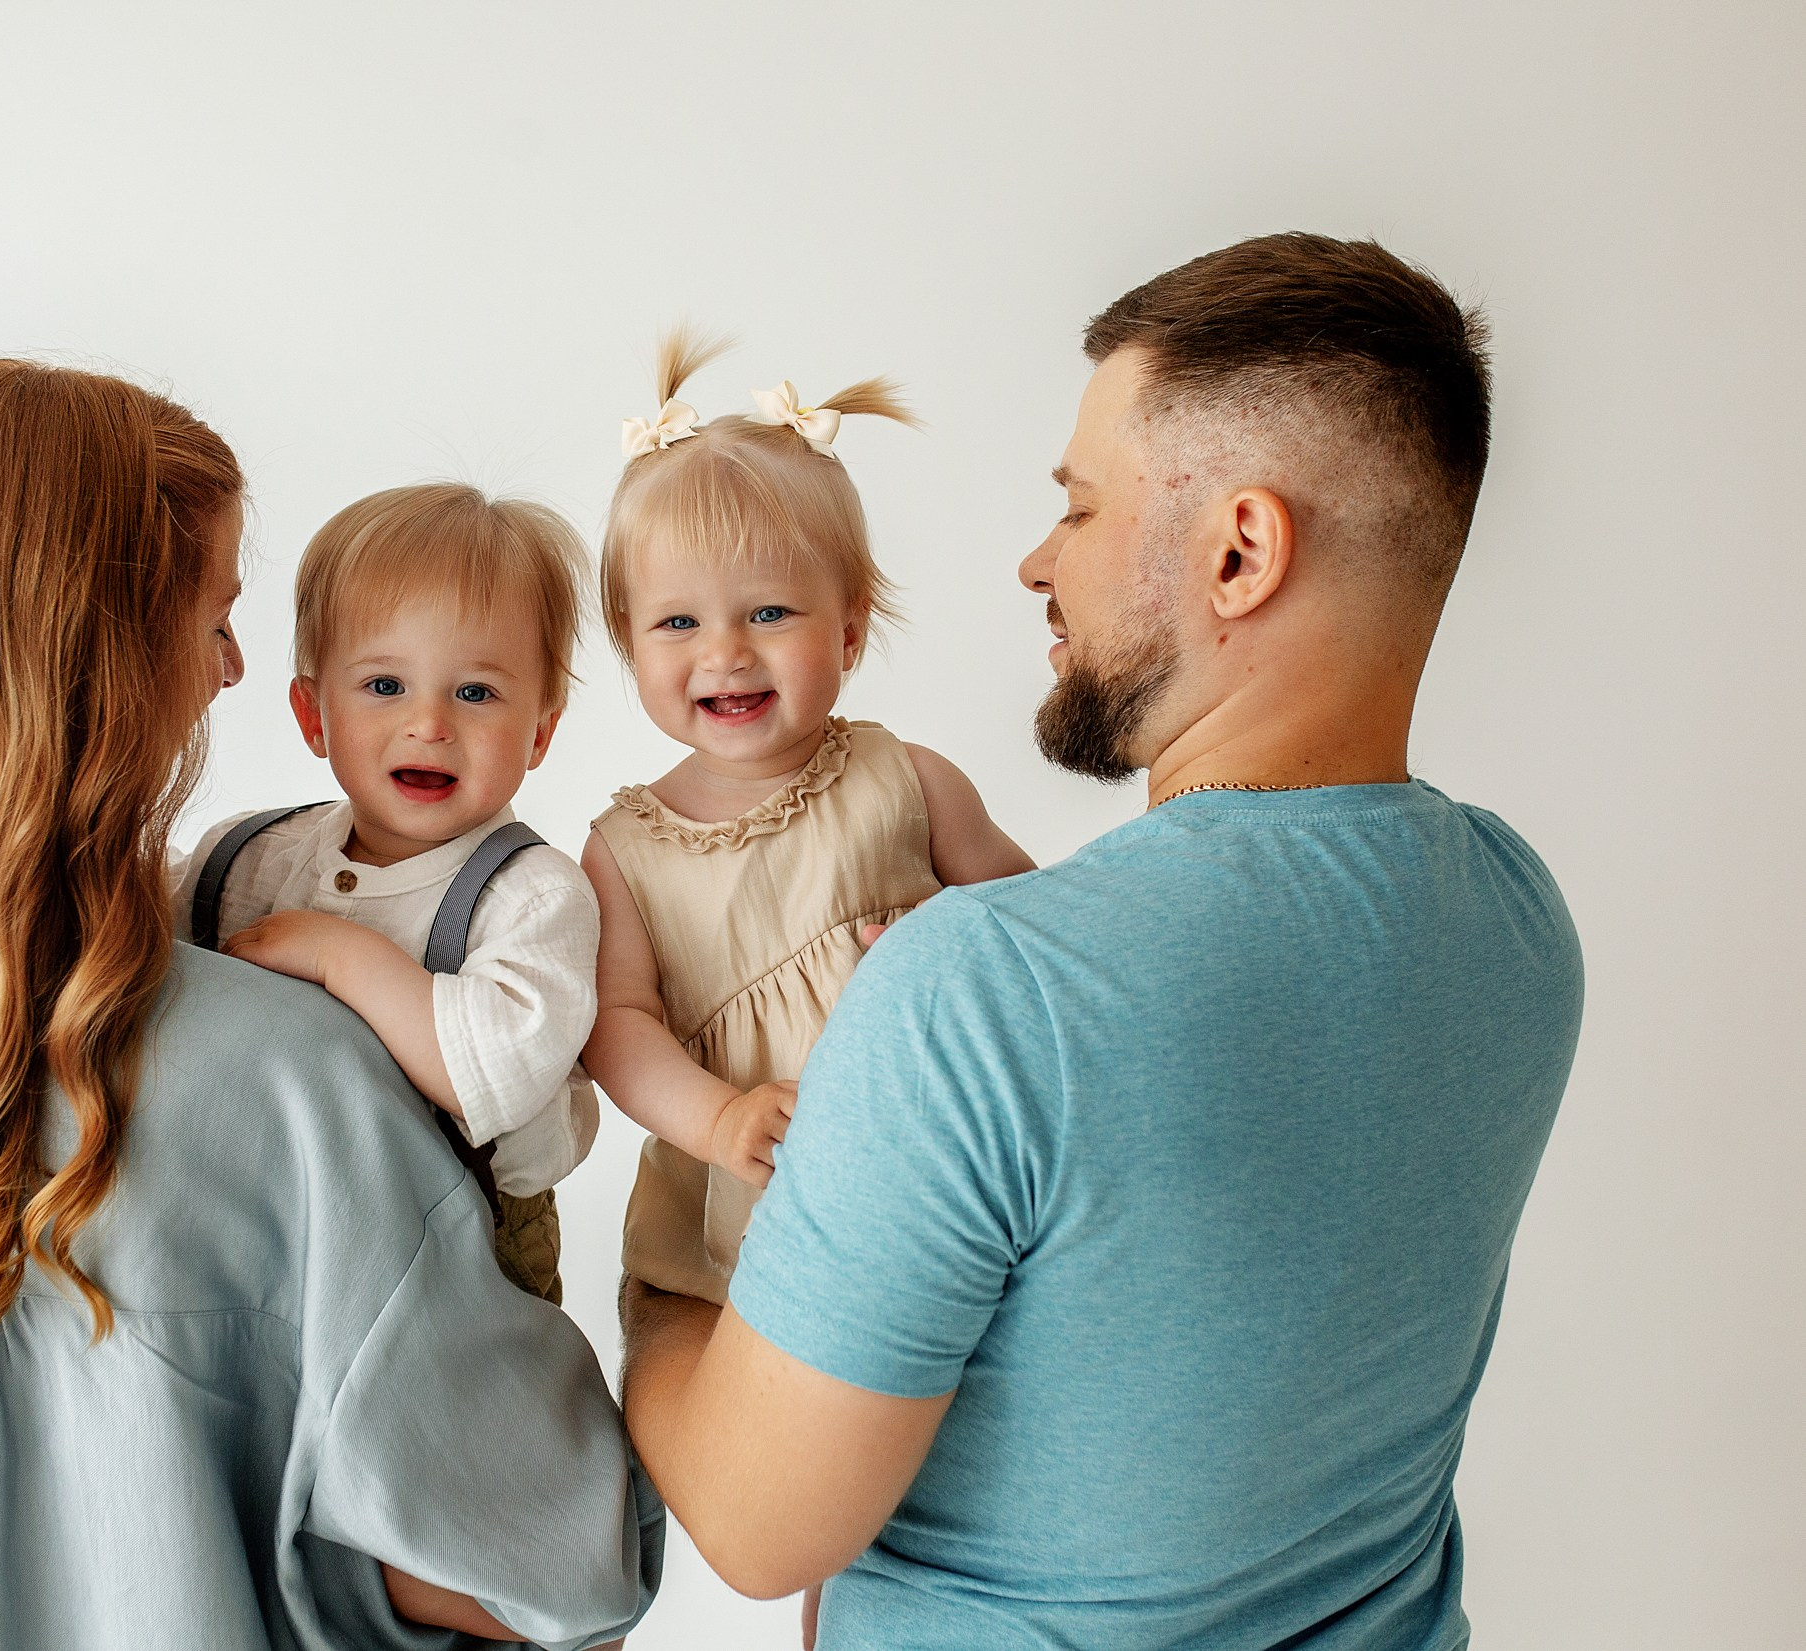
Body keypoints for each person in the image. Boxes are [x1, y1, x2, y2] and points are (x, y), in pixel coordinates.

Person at [617, 235, 1584, 1650]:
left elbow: (761, 1527)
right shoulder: (1516, 916)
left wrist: (654, 1308)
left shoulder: (982, 991)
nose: (1035, 558)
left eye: (1077, 506)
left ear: (1238, 551)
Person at [0, 359, 661, 1650]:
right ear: (102, 655)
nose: (226, 668)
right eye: (211, 617)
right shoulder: (287, 1073)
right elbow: (572, 1562)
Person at [582, 332, 1032, 1310]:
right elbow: (616, 1026)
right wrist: (715, 1118)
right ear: (626, 640)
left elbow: (1036, 930)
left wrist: (952, 945)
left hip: (931, 1176)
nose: (726, 653)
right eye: (677, 622)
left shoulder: (906, 782)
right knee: (737, 1425)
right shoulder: (626, 850)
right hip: (745, 1206)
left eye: (771, 612)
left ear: (851, 628)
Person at [187, 482, 602, 1302]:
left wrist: (342, 955)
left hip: (463, 1257)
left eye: (476, 692)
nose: (431, 723)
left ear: (541, 732)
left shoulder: (532, 895)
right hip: (266, 1223)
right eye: (384, 686)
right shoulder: (244, 858)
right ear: (313, 715)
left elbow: (495, 1076)